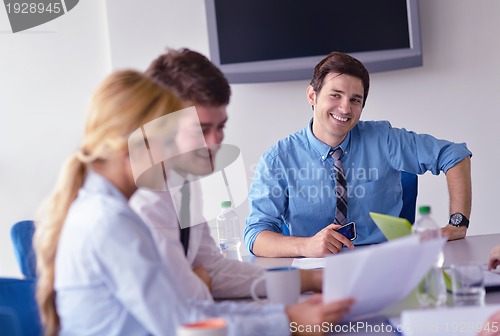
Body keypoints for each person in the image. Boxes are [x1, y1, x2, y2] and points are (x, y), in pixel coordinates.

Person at [33, 70, 353, 335]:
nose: (182, 150)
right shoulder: (111, 221)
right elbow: (180, 322)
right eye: (172, 138)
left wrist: (287, 314)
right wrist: (289, 322)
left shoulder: (107, 208)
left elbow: (186, 304)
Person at [130, 48, 324, 300]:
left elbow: (213, 268)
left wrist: (309, 279)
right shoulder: (143, 200)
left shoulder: (185, 182)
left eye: (220, 127)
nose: (215, 142)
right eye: (201, 129)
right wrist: (288, 320)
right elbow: (178, 305)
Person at [244, 51, 472, 258]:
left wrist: (457, 223)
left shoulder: (384, 139)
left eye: (355, 100)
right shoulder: (279, 159)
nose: (345, 108)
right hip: (316, 272)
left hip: (385, 263)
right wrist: (305, 246)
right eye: (335, 95)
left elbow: (454, 154)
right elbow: (256, 235)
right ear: (312, 96)